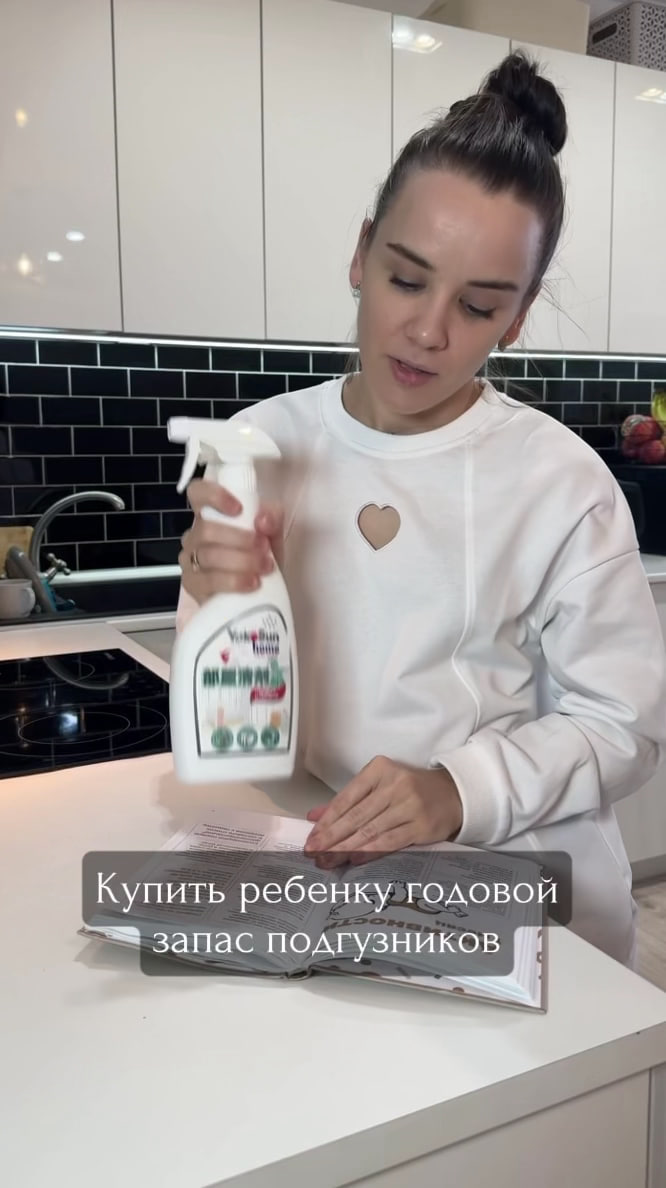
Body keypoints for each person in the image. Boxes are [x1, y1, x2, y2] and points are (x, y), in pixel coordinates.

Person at [174, 51, 666, 968]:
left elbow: (625, 726)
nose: (430, 331)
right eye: (406, 280)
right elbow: (235, 733)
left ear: (517, 317)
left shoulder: (561, 481)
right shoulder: (261, 443)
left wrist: (455, 789)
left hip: (530, 907)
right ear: (361, 254)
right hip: (331, 870)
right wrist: (216, 605)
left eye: (477, 307)